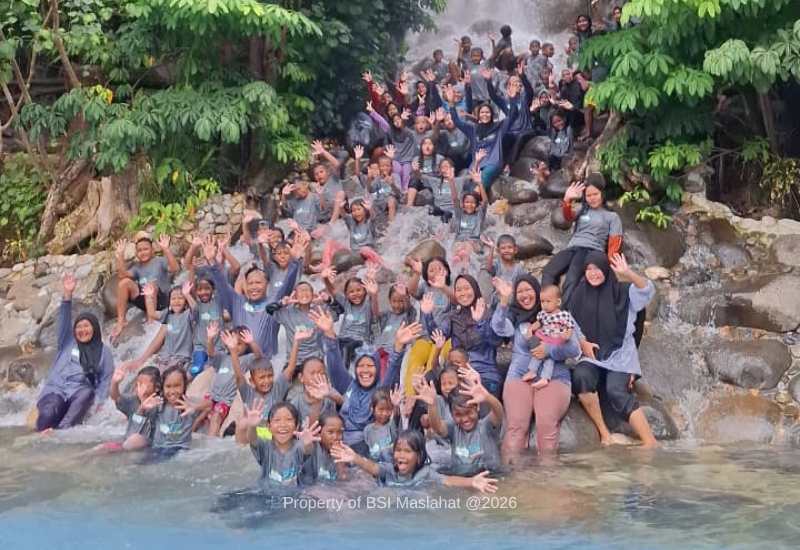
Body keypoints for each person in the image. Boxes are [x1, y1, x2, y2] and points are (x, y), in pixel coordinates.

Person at [569, 252, 658, 448]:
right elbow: (571, 323)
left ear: (606, 269)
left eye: (597, 268)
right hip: (592, 355)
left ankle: (649, 441)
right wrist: (582, 342)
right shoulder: (579, 293)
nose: (593, 273)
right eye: (589, 269)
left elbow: (647, 291)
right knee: (581, 377)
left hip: (621, 355)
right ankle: (604, 433)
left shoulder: (623, 292)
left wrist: (628, 273)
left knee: (616, 390)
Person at [312, 308, 419, 456]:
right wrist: (329, 334)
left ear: (377, 368)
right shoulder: (348, 385)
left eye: (370, 366)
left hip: (367, 450)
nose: (365, 370)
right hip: (338, 445)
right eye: (361, 366)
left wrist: (398, 346)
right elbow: (335, 366)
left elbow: (393, 367)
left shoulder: (380, 390)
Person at [490, 275, 575, 459]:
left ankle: (546, 473)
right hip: (520, 375)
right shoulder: (515, 318)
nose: (525, 295)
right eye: (520, 291)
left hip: (554, 376)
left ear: (537, 292)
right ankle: (513, 472)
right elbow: (498, 327)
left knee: (546, 423)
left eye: (528, 289)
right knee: (517, 425)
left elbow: (574, 349)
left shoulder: (558, 315)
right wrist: (504, 300)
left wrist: (548, 350)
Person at [203, 232, 307, 357]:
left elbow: (287, 285)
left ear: (267, 285)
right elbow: (222, 284)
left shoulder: (273, 303)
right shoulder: (237, 302)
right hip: (238, 360)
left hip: (265, 363)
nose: (253, 287)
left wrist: (294, 261)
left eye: (258, 283)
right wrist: (212, 261)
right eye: (250, 283)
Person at [37, 273, 114, 432]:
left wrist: (100, 402)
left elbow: (106, 379)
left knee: (87, 392)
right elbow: (64, 319)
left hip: (78, 393)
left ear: (95, 328)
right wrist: (68, 294)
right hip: (55, 390)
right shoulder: (67, 342)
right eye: (79, 327)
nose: (82, 330)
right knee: (50, 410)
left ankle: (61, 434)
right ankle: (39, 435)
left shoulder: (104, 351)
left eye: (86, 326)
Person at [331, 428, 498, 492]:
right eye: (398, 451)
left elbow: (449, 480)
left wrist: (471, 482)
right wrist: (355, 458)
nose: (401, 456)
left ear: (418, 456)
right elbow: (373, 467)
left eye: (407, 451)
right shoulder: (390, 471)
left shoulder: (426, 473)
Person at [541, 179, 623, 307]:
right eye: (588, 195)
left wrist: (610, 267)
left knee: (572, 279)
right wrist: (567, 199)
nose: (592, 198)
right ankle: (547, 307)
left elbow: (614, 242)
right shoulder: (582, 209)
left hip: (591, 250)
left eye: (595, 194)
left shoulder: (612, 216)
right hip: (572, 248)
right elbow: (568, 217)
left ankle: (563, 312)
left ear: (602, 194)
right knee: (548, 271)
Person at [420, 274, 503, 396]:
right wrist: (428, 315)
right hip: (457, 373)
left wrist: (480, 322)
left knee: (469, 396)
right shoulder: (454, 316)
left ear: (475, 289)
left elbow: (497, 341)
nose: (463, 293)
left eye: (466, 288)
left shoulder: (486, 312)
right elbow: (437, 337)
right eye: (458, 290)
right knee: (429, 379)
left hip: (484, 372)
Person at [418, 367, 503, 476]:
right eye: (458, 415)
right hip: (462, 478)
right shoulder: (454, 429)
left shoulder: (486, 426)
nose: (465, 419)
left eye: (469, 412)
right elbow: (438, 428)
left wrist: (487, 397)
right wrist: (432, 404)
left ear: (477, 407)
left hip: (490, 476)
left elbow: (498, 412)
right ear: (452, 414)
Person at [444, 78, 521, 191]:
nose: (485, 114)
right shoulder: (473, 129)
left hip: (493, 164)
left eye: (487, 112)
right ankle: (471, 198)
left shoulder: (499, 127)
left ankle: (474, 196)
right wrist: (451, 103)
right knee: (468, 183)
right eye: (482, 112)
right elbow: (457, 121)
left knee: (483, 177)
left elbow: (513, 116)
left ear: (491, 114)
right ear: (479, 115)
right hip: (477, 163)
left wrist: (513, 99)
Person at [112, 233, 180, 339]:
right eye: (139, 250)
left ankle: (151, 322)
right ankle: (121, 321)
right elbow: (122, 275)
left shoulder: (159, 261)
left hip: (162, 301)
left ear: (152, 250)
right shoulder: (137, 268)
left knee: (150, 285)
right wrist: (120, 256)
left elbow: (175, 268)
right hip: (146, 300)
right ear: (136, 253)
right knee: (124, 283)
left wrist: (166, 249)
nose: (143, 252)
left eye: (146, 249)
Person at [242, 401, 320, 486]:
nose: (282, 424)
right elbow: (252, 440)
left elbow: (307, 450)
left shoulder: (298, 447)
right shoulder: (265, 447)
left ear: (296, 426)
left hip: (295, 493)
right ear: (269, 427)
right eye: (277, 420)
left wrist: (308, 443)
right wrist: (251, 426)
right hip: (266, 492)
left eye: (288, 419)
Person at [120, 284, 194, 375]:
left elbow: (196, 310)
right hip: (166, 359)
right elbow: (152, 314)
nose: (176, 301)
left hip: (181, 358)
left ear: (185, 302)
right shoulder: (168, 314)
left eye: (180, 298)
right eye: (173, 299)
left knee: (171, 374)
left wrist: (187, 295)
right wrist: (149, 297)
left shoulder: (187, 314)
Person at [140, 366, 209, 460]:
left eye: (177, 386)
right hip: (158, 447)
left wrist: (194, 407)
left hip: (181, 449)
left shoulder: (189, 403)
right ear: (162, 387)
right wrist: (142, 407)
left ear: (184, 386)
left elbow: (209, 404)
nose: (172, 391)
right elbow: (141, 421)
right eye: (168, 386)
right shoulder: (159, 404)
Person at [88, 366, 161, 454]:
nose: (139, 387)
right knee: (101, 448)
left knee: (135, 439)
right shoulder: (133, 399)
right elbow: (116, 397)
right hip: (127, 443)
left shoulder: (160, 404)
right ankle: (76, 457)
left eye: (143, 384)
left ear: (157, 387)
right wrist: (114, 383)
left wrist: (142, 406)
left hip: (148, 446)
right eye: (137, 384)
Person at [521, 285, 579, 389]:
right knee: (537, 353)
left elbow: (570, 326)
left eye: (548, 301)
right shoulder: (543, 314)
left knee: (550, 359)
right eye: (542, 301)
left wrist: (567, 334)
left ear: (558, 302)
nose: (545, 305)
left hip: (555, 340)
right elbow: (538, 323)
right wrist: (530, 329)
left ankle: (545, 378)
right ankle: (532, 371)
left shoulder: (563, 315)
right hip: (545, 337)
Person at [321, 268, 380, 366]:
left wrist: (374, 294)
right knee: (329, 341)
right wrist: (325, 278)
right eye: (351, 292)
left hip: (360, 342)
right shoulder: (346, 303)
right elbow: (333, 290)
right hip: (343, 339)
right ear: (347, 295)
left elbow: (376, 312)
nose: (355, 294)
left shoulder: (367, 304)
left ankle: (342, 371)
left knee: (346, 348)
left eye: (359, 290)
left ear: (365, 291)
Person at [322, 192, 388, 269]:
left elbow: (373, 217)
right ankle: (326, 266)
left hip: (365, 253)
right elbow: (344, 215)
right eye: (353, 211)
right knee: (329, 242)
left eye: (359, 209)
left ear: (365, 211)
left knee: (364, 250)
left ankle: (385, 265)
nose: (356, 212)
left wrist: (370, 209)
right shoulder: (351, 223)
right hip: (353, 253)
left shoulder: (369, 223)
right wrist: (340, 207)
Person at [302, 411, 346, 483]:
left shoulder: (345, 453)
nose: (336, 437)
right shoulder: (314, 449)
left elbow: (343, 482)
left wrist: (340, 462)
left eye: (339, 432)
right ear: (318, 433)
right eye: (330, 432)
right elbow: (307, 449)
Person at [482, 234, 523, 306]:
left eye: (510, 247)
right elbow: (488, 269)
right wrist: (491, 249)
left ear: (515, 249)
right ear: (498, 251)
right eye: (503, 248)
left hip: (513, 301)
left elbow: (521, 284)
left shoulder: (518, 268)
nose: (507, 250)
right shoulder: (497, 264)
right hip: (497, 301)